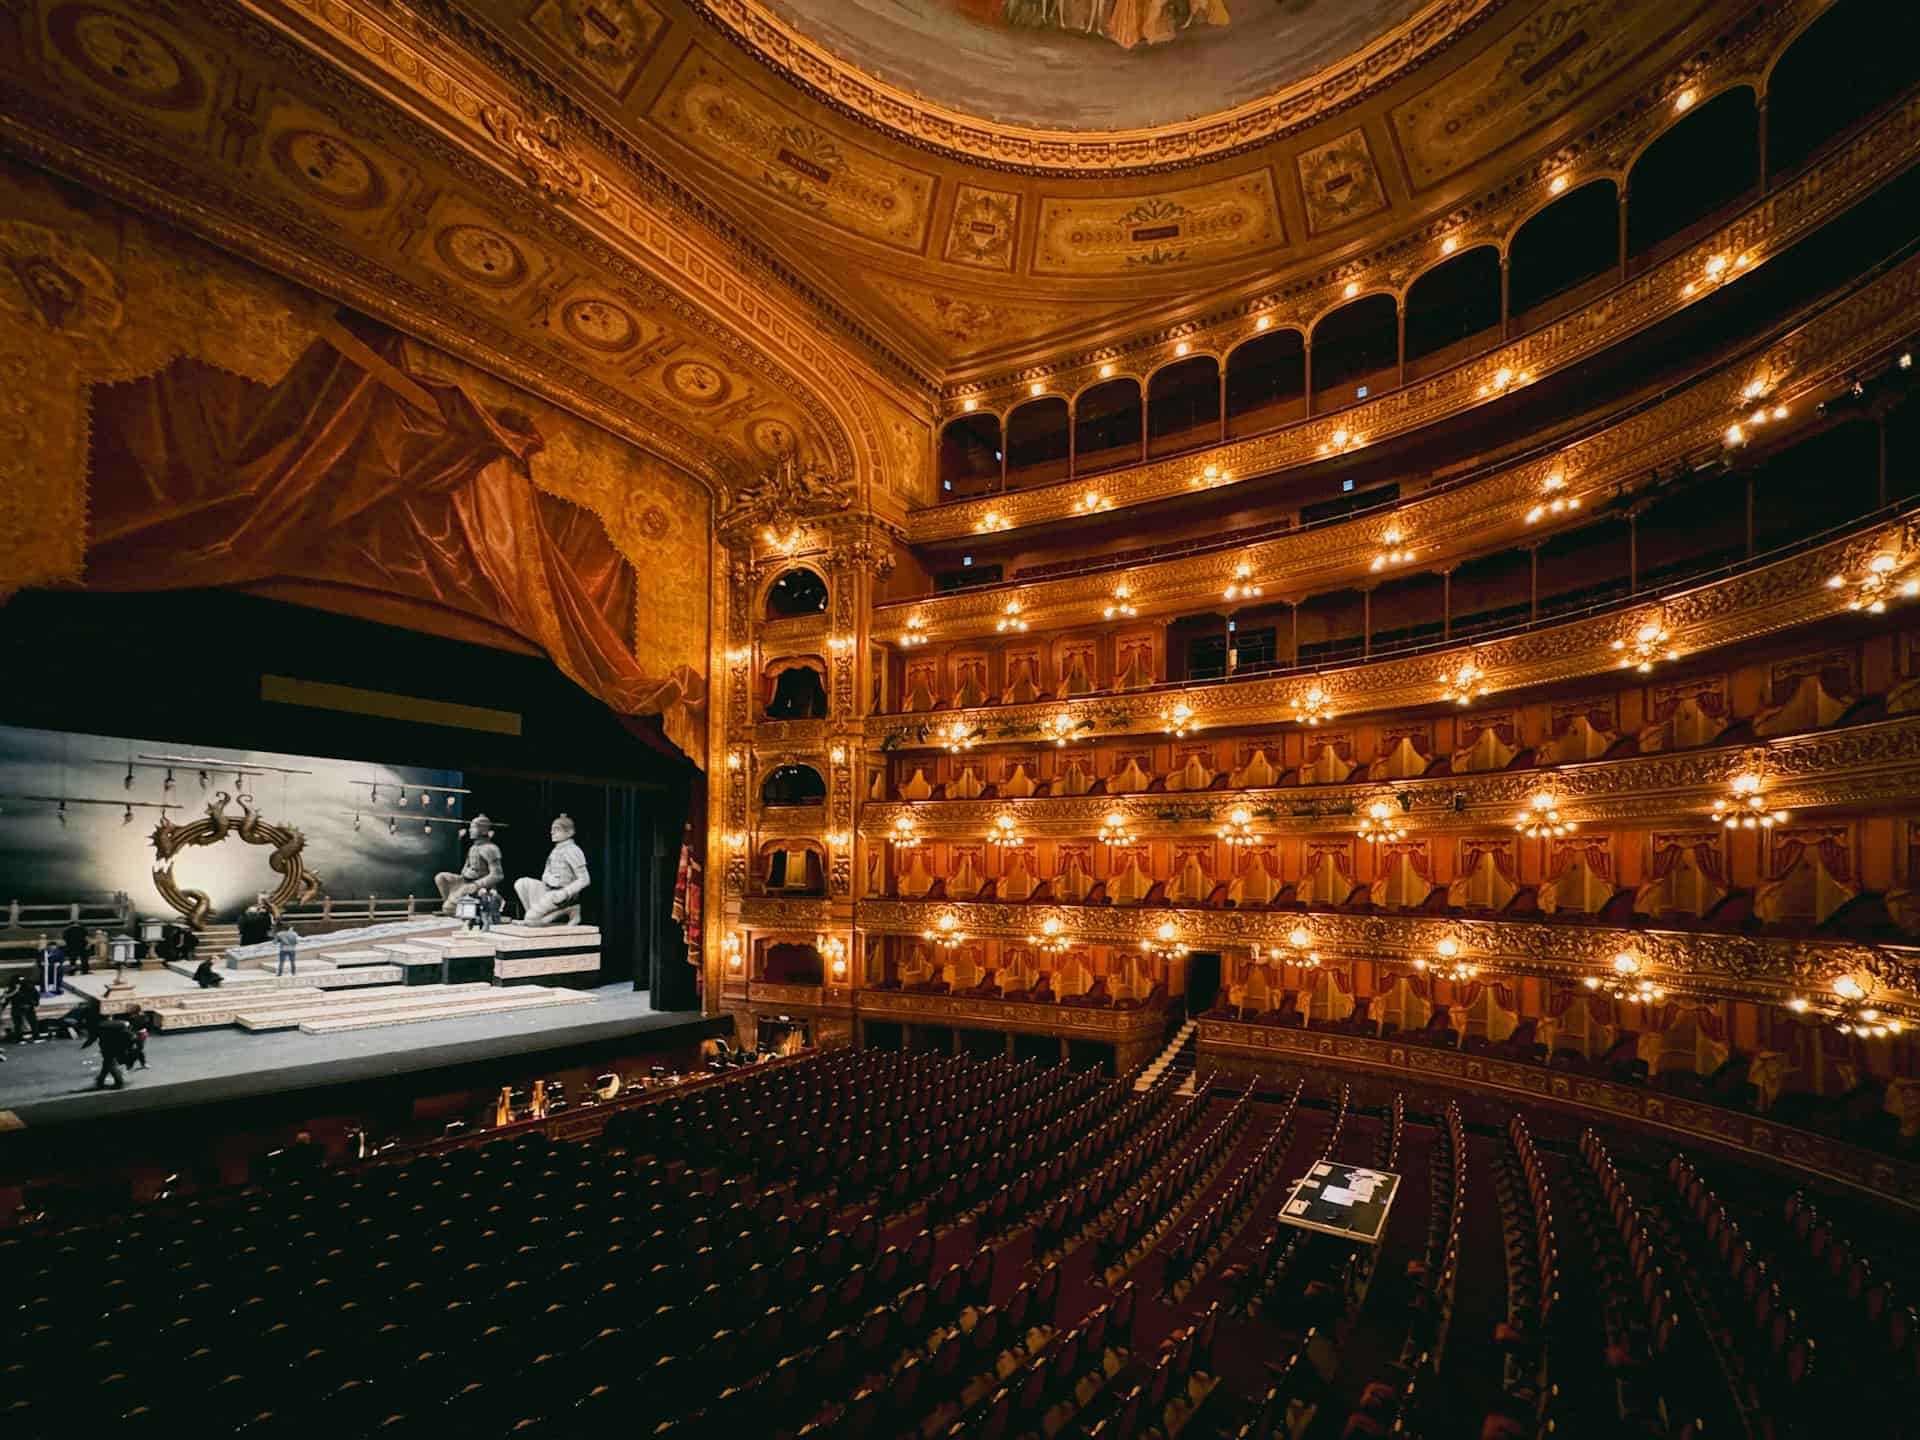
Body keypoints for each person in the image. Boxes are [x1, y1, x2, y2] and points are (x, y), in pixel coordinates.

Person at [83, 1016, 137, 1089]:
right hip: (119, 1047)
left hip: (107, 1048)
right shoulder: (121, 1023)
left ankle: (119, 1083)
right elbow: (132, 1036)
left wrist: (84, 1046)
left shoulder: (100, 1026)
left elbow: (93, 1038)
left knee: (110, 1065)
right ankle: (100, 1082)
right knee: (107, 1064)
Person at [7, 973, 39, 1041]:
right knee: (32, 1022)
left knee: (18, 1023)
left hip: (19, 1006)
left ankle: (19, 1038)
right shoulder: (29, 985)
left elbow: (8, 997)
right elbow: (36, 995)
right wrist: (34, 1003)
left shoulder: (13, 986)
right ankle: (36, 1037)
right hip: (27, 1005)